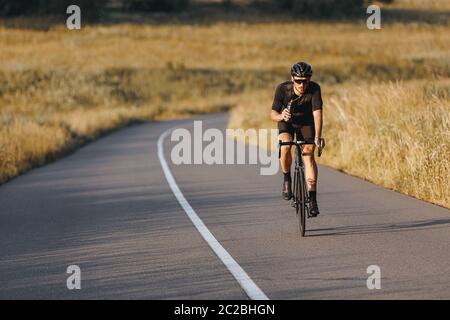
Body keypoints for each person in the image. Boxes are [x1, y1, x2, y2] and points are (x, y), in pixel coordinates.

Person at [270, 61, 325, 217]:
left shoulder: (315, 89)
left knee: (308, 154)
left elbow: (317, 114)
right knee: (285, 146)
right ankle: (287, 179)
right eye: (298, 81)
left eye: (305, 80)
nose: (302, 84)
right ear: (292, 78)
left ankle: (312, 199)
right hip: (286, 121)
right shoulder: (282, 89)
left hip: (306, 122)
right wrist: (281, 115)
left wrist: (317, 136)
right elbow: (272, 113)